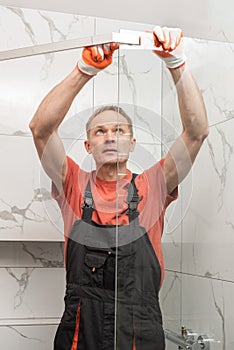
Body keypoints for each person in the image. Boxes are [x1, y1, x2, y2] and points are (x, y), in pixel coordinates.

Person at [29, 26, 208, 350]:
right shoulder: (72, 184)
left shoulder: (153, 184)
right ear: (87, 145)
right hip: (81, 333)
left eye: (119, 130)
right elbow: (40, 130)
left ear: (132, 142)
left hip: (140, 333)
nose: (110, 136)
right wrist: (84, 70)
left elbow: (196, 133)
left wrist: (176, 62)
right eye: (100, 131)